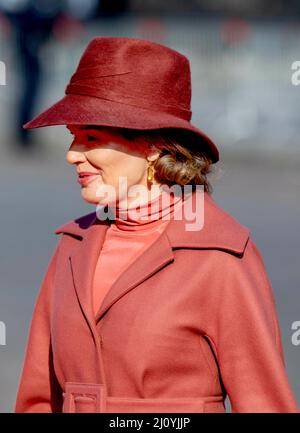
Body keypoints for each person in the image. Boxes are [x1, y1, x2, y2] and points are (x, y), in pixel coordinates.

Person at [14, 36, 299, 413]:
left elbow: (265, 404)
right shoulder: (72, 245)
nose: (71, 155)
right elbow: (37, 399)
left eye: (92, 138)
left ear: (151, 147)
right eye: (73, 137)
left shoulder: (220, 256)